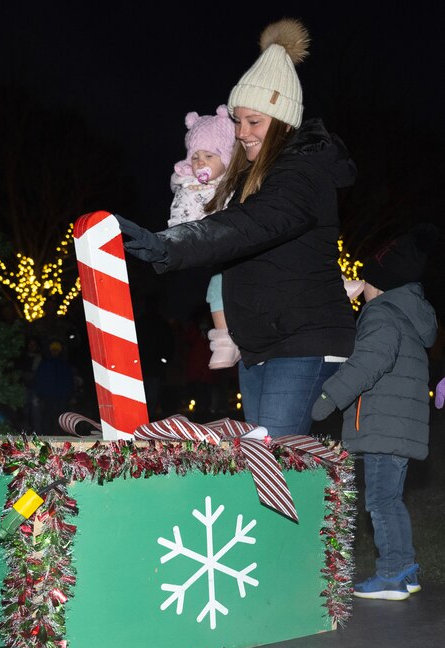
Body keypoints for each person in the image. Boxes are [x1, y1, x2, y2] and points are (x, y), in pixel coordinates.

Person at [115, 18, 357, 437]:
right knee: (262, 466)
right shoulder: (252, 173)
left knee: (274, 463)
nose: (241, 133)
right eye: (239, 121)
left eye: (254, 122)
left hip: (304, 342)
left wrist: (173, 246)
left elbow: (253, 224)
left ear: (283, 121)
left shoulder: (303, 172)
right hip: (260, 345)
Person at [310, 223, 440, 600]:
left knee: (380, 502)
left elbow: (368, 363)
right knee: (390, 500)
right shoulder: (408, 317)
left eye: (364, 281)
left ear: (378, 284)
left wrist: (329, 397)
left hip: (383, 426)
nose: (360, 287)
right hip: (399, 427)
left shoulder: (381, 315)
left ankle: (391, 576)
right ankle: (405, 568)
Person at [167, 105, 239, 370]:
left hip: (238, 244)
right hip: (213, 252)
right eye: (195, 156)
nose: (200, 162)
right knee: (215, 290)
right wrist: (176, 241)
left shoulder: (234, 184)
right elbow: (179, 216)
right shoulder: (187, 186)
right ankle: (224, 341)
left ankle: (332, 282)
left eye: (209, 155)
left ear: (226, 158)